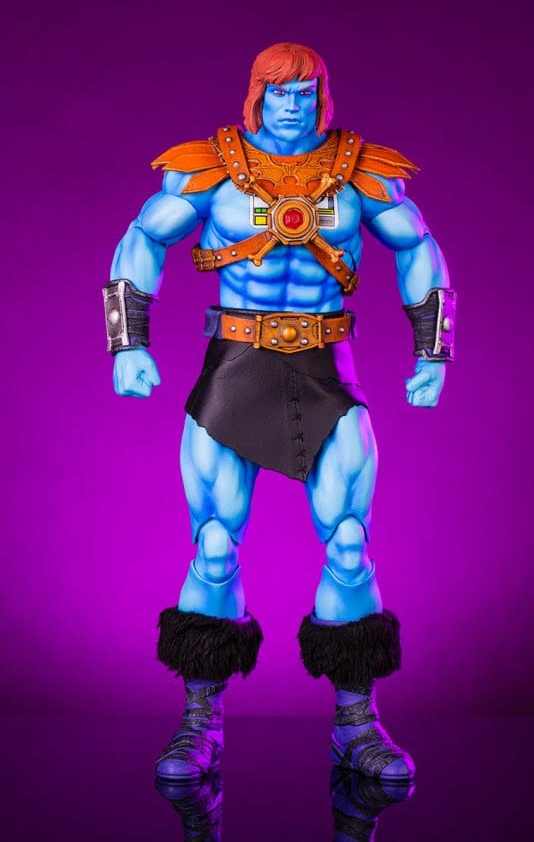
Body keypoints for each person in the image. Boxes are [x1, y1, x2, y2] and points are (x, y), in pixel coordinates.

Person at [103, 42, 456, 783]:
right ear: (256, 94)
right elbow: (143, 238)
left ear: (322, 95)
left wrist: (434, 353)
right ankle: (200, 723)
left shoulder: (362, 171)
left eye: (305, 91)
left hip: (328, 368)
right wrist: (127, 343)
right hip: (235, 364)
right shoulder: (210, 168)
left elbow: (418, 246)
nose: (291, 104)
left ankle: (356, 725)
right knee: (213, 546)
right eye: (278, 91)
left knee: (351, 542)